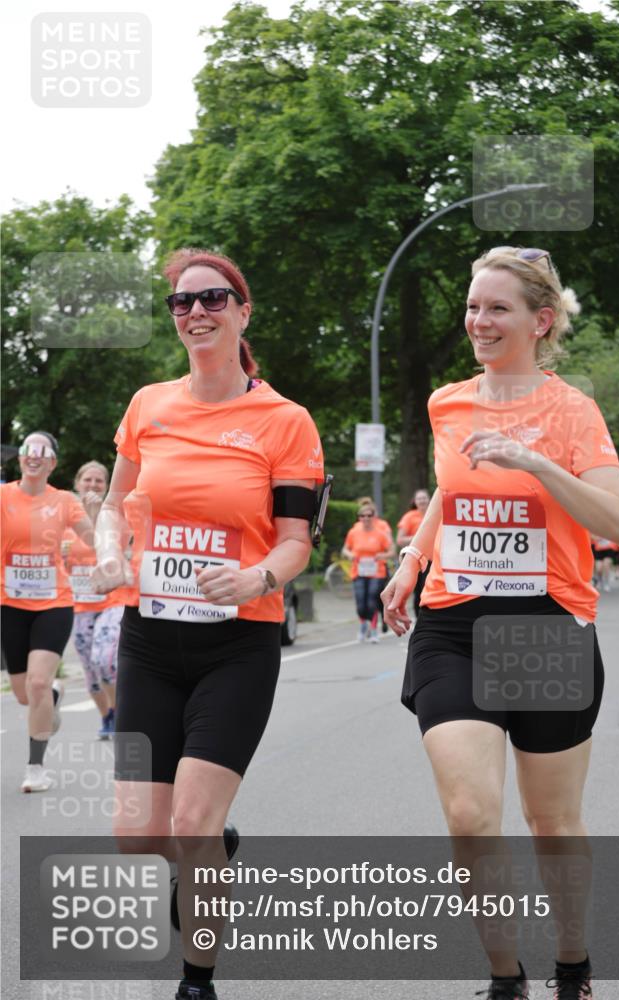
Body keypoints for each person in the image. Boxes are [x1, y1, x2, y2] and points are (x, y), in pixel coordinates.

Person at [382, 246, 619, 1000]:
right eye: (472, 306)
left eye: (497, 308)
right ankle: (504, 976)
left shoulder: (572, 411)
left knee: (550, 821)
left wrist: (536, 463)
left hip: (547, 625)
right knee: (469, 814)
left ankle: (572, 962)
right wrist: (412, 558)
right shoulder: (446, 403)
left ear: (540, 321)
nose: (479, 321)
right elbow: (449, 490)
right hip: (453, 624)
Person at [91, 248, 324, 1000]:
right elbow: (113, 505)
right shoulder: (148, 406)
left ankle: (197, 980)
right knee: (138, 836)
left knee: (189, 824)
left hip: (238, 644)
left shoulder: (285, 422)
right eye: (182, 302)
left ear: (242, 311)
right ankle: (213, 848)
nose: (196, 312)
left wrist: (259, 577)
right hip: (150, 638)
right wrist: (107, 551)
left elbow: (295, 541)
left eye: (213, 299)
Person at [1, 431, 93, 792]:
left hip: (54, 602)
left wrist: (109, 547)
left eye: (42, 450)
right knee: (25, 694)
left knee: (37, 682)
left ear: (53, 462)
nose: (34, 455)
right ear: (20, 457)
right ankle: (51, 697)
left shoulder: (65, 501)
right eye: (28, 449)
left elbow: (92, 537)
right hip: (10, 605)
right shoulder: (4, 496)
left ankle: (35, 768)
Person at [64, 461, 138, 738]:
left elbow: (121, 552)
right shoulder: (65, 522)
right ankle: (107, 714)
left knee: (105, 659)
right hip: (81, 606)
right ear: (77, 483)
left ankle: (120, 713)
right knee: (91, 670)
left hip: (112, 602)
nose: (93, 485)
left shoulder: (115, 517)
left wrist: (96, 517)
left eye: (99, 481)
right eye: (87, 480)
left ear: (107, 486)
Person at [342, 499, 395, 642]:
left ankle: (373, 630)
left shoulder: (380, 533)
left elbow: (392, 551)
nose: (365, 518)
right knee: (360, 603)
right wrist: (350, 555)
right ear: (359, 518)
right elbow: (345, 549)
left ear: (373, 517)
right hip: (358, 571)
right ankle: (363, 624)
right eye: (362, 516)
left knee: (372, 599)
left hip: (376, 572)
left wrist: (382, 555)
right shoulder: (353, 532)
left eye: (369, 515)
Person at [397, 488, 431, 613]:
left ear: (429, 499)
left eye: (424, 498)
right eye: (419, 499)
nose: (422, 501)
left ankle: (428, 613)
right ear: (415, 501)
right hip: (416, 559)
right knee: (418, 590)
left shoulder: (435, 513)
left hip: (433, 558)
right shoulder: (409, 517)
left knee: (429, 587)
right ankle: (418, 615)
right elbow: (400, 540)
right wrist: (418, 537)